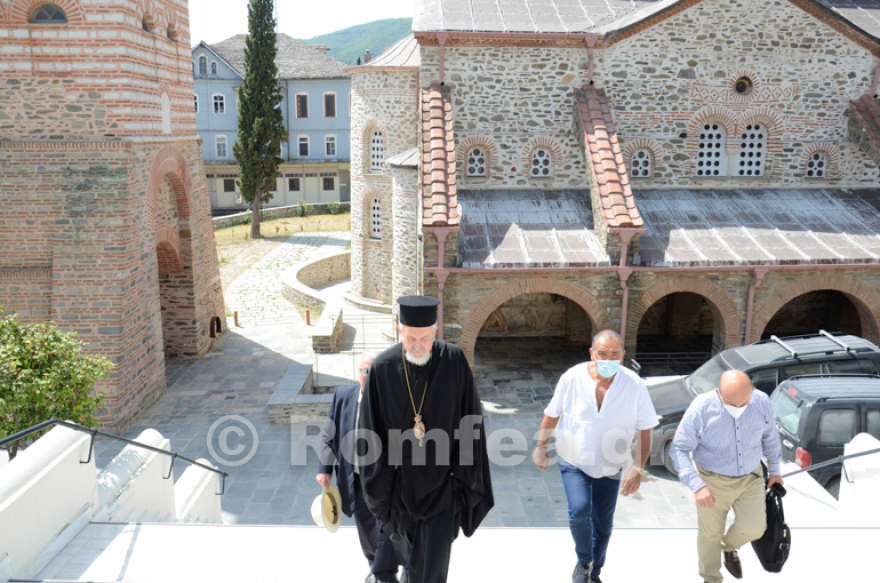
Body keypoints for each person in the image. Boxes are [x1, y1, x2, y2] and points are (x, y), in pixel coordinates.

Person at [358, 295, 494, 583]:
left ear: (435, 331)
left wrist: (459, 473)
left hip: (443, 488)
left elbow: (471, 419)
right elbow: (369, 432)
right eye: (410, 339)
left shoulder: (454, 361)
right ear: (399, 332)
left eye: (424, 338)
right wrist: (384, 477)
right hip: (398, 490)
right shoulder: (382, 368)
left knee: (433, 571)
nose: (417, 345)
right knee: (409, 560)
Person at [533, 329, 657, 583]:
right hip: (573, 459)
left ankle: (595, 571)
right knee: (579, 511)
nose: (608, 359)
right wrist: (541, 446)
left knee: (603, 524)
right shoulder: (572, 378)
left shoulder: (634, 385)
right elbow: (553, 412)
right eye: (602, 354)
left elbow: (646, 428)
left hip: (610, 464)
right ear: (592, 353)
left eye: (614, 355)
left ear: (622, 356)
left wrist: (637, 468)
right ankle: (583, 561)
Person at [670, 369, 784, 583]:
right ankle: (711, 578)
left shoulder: (761, 402)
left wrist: (775, 471)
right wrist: (697, 486)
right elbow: (678, 448)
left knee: (755, 528)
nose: (739, 409)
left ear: (753, 390)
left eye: (744, 403)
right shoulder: (702, 408)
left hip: (751, 478)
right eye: (732, 405)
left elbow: (770, 437)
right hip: (712, 481)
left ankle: (728, 547)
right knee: (709, 534)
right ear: (718, 393)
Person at [317, 352, 404, 583]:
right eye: (364, 371)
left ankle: (385, 575)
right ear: (358, 373)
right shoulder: (343, 396)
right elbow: (328, 436)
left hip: (386, 483)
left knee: (386, 532)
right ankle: (376, 568)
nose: (368, 375)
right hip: (354, 481)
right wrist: (324, 469)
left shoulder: (394, 399)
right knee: (367, 532)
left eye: (372, 371)